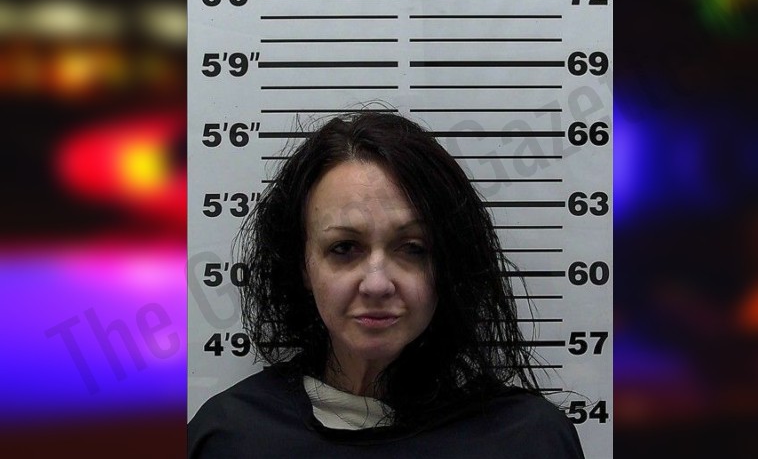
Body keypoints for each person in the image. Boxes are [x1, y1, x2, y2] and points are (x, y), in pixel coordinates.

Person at [188, 111, 585, 458]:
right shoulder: (231, 437)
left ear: (448, 265)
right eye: (344, 248)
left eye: (412, 248)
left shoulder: (530, 440)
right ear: (303, 267)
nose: (377, 284)